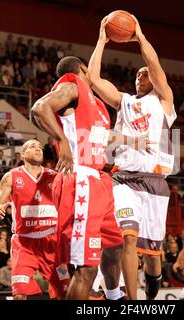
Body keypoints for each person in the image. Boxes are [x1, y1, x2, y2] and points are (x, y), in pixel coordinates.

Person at [87, 15, 176, 300]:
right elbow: (94, 79)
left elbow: (154, 65)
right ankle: (131, 303)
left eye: (144, 74)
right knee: (127, 238)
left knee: (152, 256)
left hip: (155, 183)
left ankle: (153, 283)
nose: (140, 77)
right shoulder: (124, 101)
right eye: (136, 75)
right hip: (123, 180)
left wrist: (138, 37)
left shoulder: (163, 100)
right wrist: (102, 40)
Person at [31, 56, 124, 300]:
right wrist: (61, 140)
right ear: (83, 69)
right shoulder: (72, 86)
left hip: (99, 182)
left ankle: (114, 296)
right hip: (80, 179)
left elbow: (97, 141)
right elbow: (39, 108)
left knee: (115, 246)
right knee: (87, 269)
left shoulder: (97, 106)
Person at [0, 139, 69, 300]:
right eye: (33, 147)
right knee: (19, 294)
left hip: (51, 242)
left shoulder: (55, 176)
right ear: (23, 154)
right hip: (24, 243)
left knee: (65, 292)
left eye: (40, 147)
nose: (38, 149)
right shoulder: (11, 176)